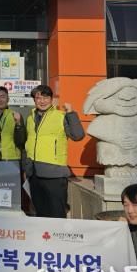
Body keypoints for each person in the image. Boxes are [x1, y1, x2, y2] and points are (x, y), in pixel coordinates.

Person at [24, 84, 84, 218]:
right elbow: (28, 143)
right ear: (34, 100)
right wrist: (26, 167)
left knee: (56, 214)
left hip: (54, 174)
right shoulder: (30, 118)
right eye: (38, 98)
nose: (42, 101)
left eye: (46, 97)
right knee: (40, 213)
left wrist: (71, 113)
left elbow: (78, 135)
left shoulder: (61, 116)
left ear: (51, 99)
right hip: (34, 173)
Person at [0, 86, 26, 161]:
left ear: (8, 99)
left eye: (2, 97)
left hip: (12, 158)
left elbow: (21, 141)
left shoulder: (16, 115)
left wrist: (18, 124)